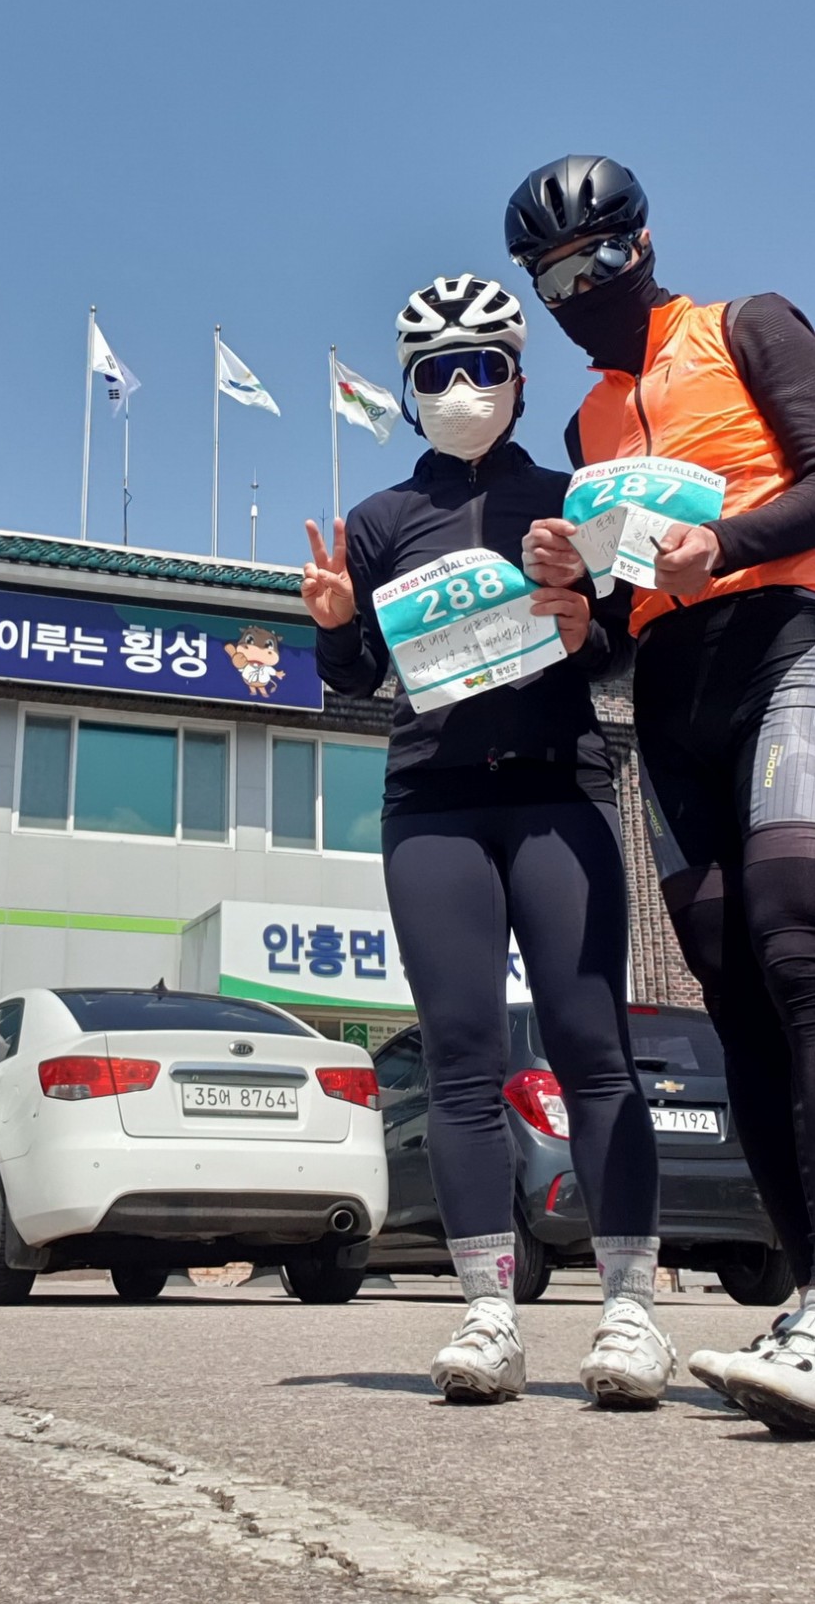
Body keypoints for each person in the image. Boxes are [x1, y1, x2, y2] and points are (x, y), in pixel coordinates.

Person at [302, 273, 671, 1408]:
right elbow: (356, 680)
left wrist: (586, 619)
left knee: (591, 1046)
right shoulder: (379, 521)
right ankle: (487, 1315)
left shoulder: (569, 500)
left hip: (561, 791)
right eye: (438, 372)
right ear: (411, 390)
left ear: (517, 377)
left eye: (483, 367)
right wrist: (333, 625)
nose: (462, 388)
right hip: (433, 803)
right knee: (460, 1057)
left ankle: (629, 1313)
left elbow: (617, 651)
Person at [508, 154, 815, 1433]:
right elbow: (616, 626)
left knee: (796, 938)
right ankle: (807, 1304)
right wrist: (574, 602)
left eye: (595, 258)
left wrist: (725, 541)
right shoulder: (585, 429)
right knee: (732, 989)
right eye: (550, 278)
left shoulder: (745, 324)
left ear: (642, 242)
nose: (577, 289)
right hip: (671, 700)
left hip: (786, 644)